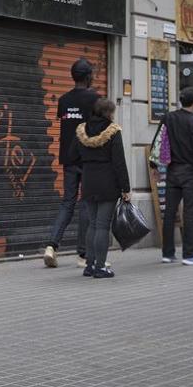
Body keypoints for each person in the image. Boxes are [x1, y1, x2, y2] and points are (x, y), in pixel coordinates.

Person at [43, 58, 100, 269]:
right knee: (85, 203)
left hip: (68, 157)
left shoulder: (64, 100)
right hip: (87, 158)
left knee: (67, 202)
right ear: (88, 76)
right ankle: (83, 255)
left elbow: (67, 124)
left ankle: (51, 246)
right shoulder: (94, 98)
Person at [73, 98, 130, 279]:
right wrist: (125, 188)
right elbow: (119, 162)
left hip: (88, 180)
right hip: (107, 182)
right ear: (108, 112)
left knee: (92, 224)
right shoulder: (112, 131)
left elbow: (72, 155)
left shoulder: (82, 130)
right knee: (102, 226)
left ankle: (89, 266)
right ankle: (100, 267)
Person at [161, 86, 193, 265]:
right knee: (190, 213)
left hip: (172, 170)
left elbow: (160, 141)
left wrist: (154, 164)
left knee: (169, 213)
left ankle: (167, 253)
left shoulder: (168, 118)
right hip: (190, 172)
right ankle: (189, 254)